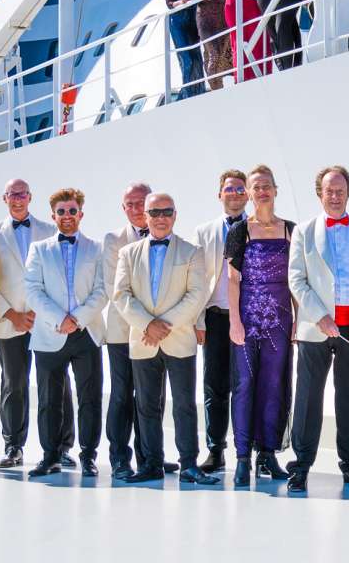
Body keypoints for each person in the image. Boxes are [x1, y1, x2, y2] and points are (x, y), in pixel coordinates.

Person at [286, 165, 349, 492]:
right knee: (308, 399)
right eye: (329, 191)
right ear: (320, 193)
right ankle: (300, 466)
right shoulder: (303, 232)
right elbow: (296, 279)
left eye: (340, 191)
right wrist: (318, 316)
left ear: (348, 193)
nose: (334, 196)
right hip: (318, 328)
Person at [113, 192, 219, 485]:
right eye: (155, 212)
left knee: (184, 404)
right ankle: (151, 463)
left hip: (178, 338)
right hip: (143, 341)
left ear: (175, 215)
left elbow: (197, 294)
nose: (161, 218)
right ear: (145, 216)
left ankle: (188, 464)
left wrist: (164, 324)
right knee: (146, 406)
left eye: (167, 212)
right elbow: (121, 295)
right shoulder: (128, 253)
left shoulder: (191, 251)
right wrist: (148, 325)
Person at [0, 179, 72, 470]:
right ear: (4, 198)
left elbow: (61, 275)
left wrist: (46, 313)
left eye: (22, 194)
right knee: (14, 385)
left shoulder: (50, 230)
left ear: (30, 197)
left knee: (58, 385)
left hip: (46, 322)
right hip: (10, 323)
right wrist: (12, 315)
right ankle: (13, 447)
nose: (18, 199)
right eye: (12, 195)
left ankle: (62, 447)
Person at [23, 188, 108, 478]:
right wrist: (60, 319)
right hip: (50, 333)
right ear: (53, 216)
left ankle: (89, 455)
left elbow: (101, 290)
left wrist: (79, 319)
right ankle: (50, 455)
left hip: (86, 333)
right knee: (49, 399)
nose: (67, 216)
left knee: (90, 398)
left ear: (81, 214)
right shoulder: (38, 249)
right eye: (62, 211)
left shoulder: (96, 248)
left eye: (72, 211)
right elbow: (33, 289)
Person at [224, 165, 297, 485]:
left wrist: (298, 319)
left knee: (274, 385)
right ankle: (243, 458)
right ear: (249, 193)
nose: (262, 191)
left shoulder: (291, 230)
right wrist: (234, 323)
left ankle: (267, 453)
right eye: (256, 187)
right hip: (248, 320)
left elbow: (296, 280)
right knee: (243, 387)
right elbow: (233, 279)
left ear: (275, 190)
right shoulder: (240, 231)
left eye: (267, 185)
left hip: (280, 320)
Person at [101, 182, 163, 477]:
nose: (137, 209)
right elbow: (117, 290)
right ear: (123, 208)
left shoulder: (166, 236)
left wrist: (156, 326)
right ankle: (119, 458)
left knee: (151, 397)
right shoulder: (113, 240)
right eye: (130, 204)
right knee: (122, 395)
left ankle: (149, 456)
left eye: (141, 203)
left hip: (157, 334)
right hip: (123, 333)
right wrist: (147, 324)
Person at [192, 170, 249, 473]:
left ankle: (248, 450)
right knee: (214, 387)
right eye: (230, 189)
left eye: (241, 189)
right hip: (215, 318)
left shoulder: (258, 228)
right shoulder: (204, 232)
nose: (235, 194)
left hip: (249, 320)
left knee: (247, 386)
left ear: (248, 195)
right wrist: (198, 320)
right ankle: (216, 450)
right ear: (220, 195)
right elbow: (199, 281)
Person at [162, 0, 206, 99]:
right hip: (178, 22)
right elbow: (169, 3)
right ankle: (186, 95)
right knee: (186, 60)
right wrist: (180, 2)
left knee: (196, 58)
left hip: (193, 22)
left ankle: (198, 93)